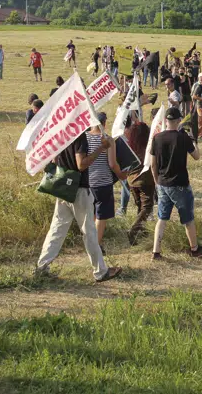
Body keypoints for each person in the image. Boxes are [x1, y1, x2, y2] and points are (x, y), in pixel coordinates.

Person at [35, 129, 121, 282]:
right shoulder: (79, 136)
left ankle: (42, 267)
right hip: (79, 189)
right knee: (89, 231)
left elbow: (53, 159)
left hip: (63, 187)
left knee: (57, 229)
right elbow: (81, 164)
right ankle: (101, 272)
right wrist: (102, 148)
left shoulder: (60, 134)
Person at [148, 107, 202, 260]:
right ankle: (195, 249)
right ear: (178, 121)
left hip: (163, 183)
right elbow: (196, 156)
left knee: (162, 219)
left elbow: (153, 165)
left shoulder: (157, 138)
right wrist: (193, 140)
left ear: (166, 121)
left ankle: (156, 252)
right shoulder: (183, 138)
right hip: (180, 184)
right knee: (188, 219)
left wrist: (157, 182)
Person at [86, 112, 128, 254]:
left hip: (88, 182)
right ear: (104, 123)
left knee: (91, 215)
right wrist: (121, 174)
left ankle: (91, 242)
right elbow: (112, 163)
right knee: (101, 216)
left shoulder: (84, 138)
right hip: (103, 181)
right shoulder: (108, 140)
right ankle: (96, 247)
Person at [125, 120, 154, 245]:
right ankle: (134, 229)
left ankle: (141, 230)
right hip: (145, 180)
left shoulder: (129, 146)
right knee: (146, 207)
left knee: (140, 206)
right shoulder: (148, 147)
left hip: (131, 181)